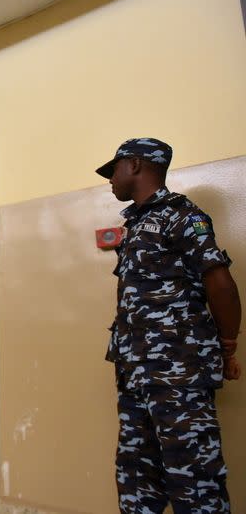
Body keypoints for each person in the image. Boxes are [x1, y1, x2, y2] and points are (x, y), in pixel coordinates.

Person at [96, 137, 241, 514]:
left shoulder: (183, 217)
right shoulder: (136, 224)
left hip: (179, 375)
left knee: (194, 480)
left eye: (114, 170)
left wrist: (228, 345)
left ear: (136, 165)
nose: (110, 179)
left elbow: (220, 281)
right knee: (136, 479)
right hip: (136, 375)